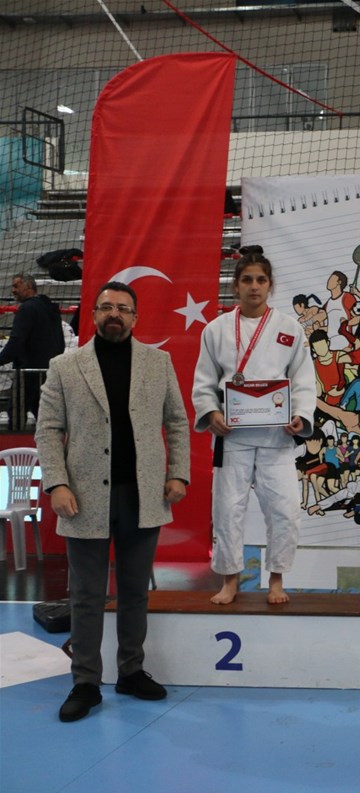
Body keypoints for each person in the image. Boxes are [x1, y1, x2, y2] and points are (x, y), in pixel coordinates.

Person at [35, 281, 190, 722]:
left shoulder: (159, 363)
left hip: (144, 494)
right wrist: (56, 484)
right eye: (106, 307)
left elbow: (177, 422)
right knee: (86, 595)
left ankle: (131, 672)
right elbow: (48, 429)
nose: (114, 314)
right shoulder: (65, 366)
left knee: (135, 593)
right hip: (82, 498)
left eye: (123, 308)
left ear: (135, 317)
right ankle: (85, 681)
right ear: (94, 315)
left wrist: (178, 473)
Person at [192, 245, 317, 605]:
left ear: (270, 285)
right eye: (247, 280)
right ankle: (230, 580)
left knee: (285, 511)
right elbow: (203, 382)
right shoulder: (216, 330)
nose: (254, 286)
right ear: (236, 286)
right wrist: (211, 413)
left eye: (261, 280)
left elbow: (304, 380)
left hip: (277, 437)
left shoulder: (289, 329)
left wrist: (301, 415)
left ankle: (276, 579)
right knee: (227, 511)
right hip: (233, 438)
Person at [0, 272, 66, 427]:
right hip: (47, 372)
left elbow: (16, 341)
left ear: (28, 286)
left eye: (16, 286)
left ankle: (16, 442)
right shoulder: (49, 307)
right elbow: (60, 342)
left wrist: (1, 360)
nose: (13, 290)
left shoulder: (27, 309)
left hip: (28, 373)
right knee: (45, 417)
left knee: (16, 415)